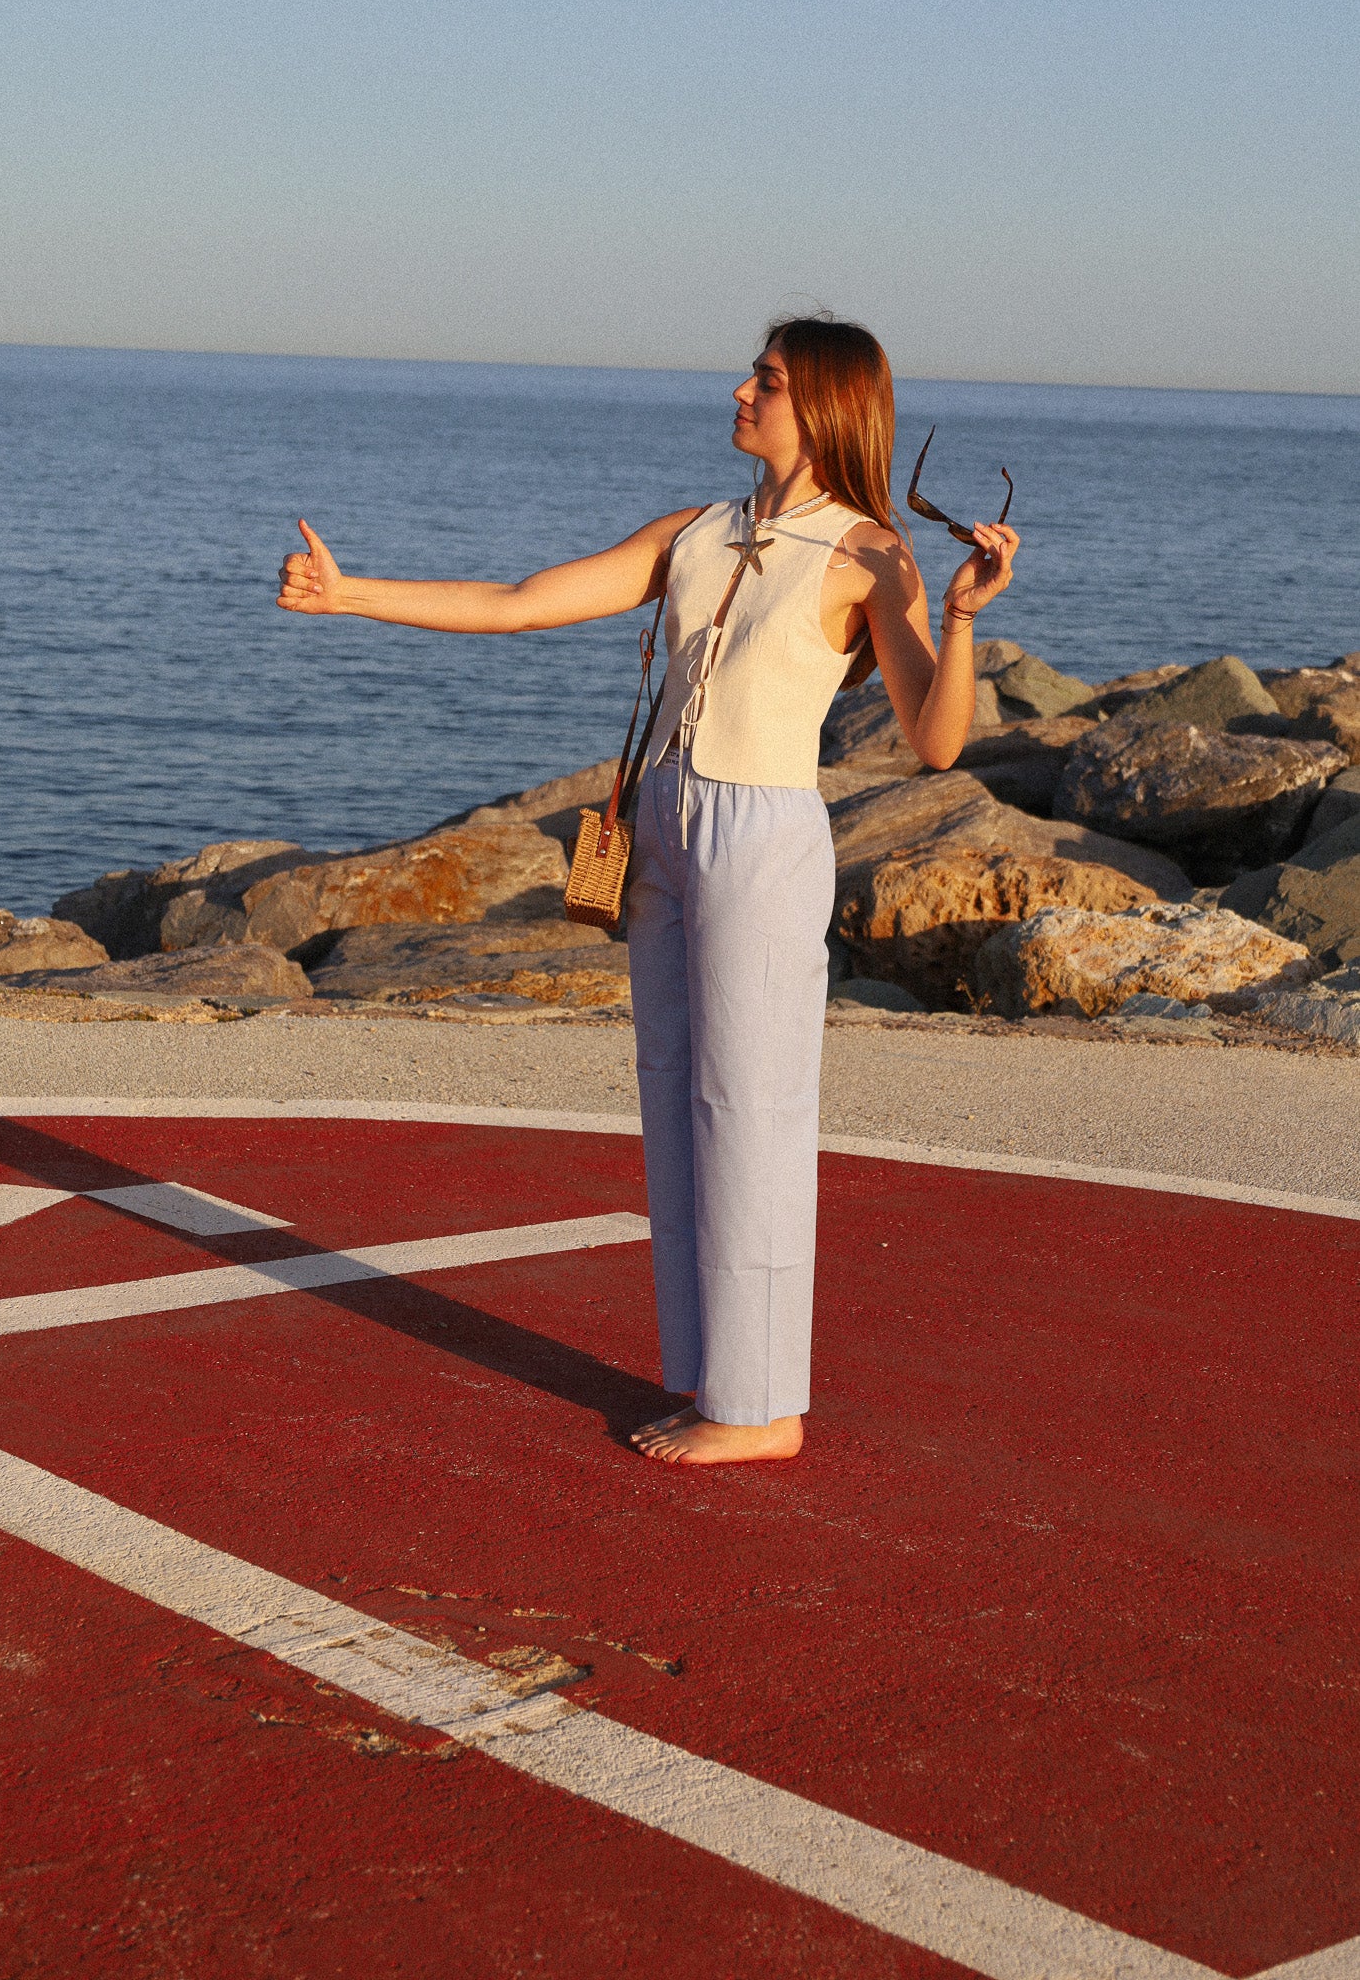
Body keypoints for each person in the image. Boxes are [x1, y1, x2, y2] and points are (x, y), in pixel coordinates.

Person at [277, 316, 1019, 1468]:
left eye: (765, 380)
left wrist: (963, 615)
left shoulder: (873, 553)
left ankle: (763, 1406)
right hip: (665, 821)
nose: (740, 391)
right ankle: (715, 1374)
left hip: (761, 831)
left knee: (753, 1109)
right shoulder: (697, 530)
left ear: (824, 402)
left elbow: (934, 739)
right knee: (677, 1096)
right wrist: (350, 593)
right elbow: (523, 599)